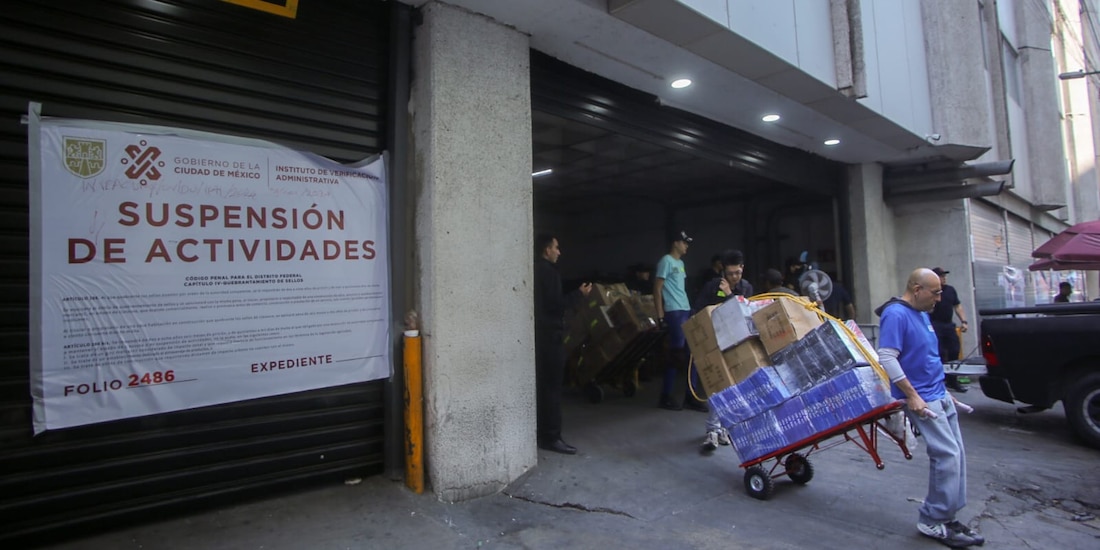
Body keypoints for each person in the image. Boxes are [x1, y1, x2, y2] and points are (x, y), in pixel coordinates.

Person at [874, 268, 983, 548]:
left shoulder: (922, 312)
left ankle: (948, 516)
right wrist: (911, 395)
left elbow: (928, 356)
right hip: (922, 397)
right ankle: (933, 519)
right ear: (917, 289)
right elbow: (887, 356)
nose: (939, 298)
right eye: (935, 293)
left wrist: (945, 390)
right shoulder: (896, 314)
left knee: (956, 453)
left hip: (937, 392)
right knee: (946, 454)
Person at [534, 234, 592, 455]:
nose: (559, 252)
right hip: (550, 336)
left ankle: (544, 433)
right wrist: (579, 295)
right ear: (547, 249)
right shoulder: (547, 272)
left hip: (542, 335)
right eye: (556, 248)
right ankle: (551, 437)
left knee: (545, 388)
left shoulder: (536, 270)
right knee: (551, 389)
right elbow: (554, 305)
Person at [692, 250, 752, 451]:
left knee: (732, 386)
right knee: (717, 385)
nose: (735, 277)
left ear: (742, 268)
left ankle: (724, 428)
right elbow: (698, 311)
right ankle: (712, 430)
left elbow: (745, 312)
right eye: (731, 273)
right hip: (715, 341)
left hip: (737, 341)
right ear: (723, 271)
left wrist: (729, 295)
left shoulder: (746, 288)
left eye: (738, 272)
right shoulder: (712, 287)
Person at [654, 230, 693, 411]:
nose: (686, 246)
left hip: (685, 308)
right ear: (676, 243)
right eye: (684, 243)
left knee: (691, 353)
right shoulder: (666, 261)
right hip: (674, 310)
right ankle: (666, 395)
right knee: (676, 353)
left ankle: (690, 395)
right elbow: (657, 288)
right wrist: (660, 315)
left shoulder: (680, 263)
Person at [929, 268, 969, 393]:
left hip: (948, 325)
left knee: (954, 350)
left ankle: (952, 381)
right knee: (939, 353)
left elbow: (957, 306)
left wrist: (964, 321)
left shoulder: (950, 290)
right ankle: (939, 381)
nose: (944, 278)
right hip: (935, 325)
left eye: (944, 276)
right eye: (941, 276)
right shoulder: (930, 291)